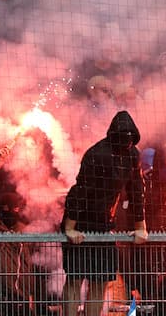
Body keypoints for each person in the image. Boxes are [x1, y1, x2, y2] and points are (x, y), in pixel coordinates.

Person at [61, 110, 148, 316]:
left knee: (100, 281)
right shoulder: (96, 154)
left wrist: (141, 227)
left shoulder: (133, 155)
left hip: (104, 225)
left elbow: (137, 191)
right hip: (81, 220)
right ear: (113, 136)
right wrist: (70, 227)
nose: (126, 143)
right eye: (122, 139)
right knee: (74, 279)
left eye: (130, 140)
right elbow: (80, 191)